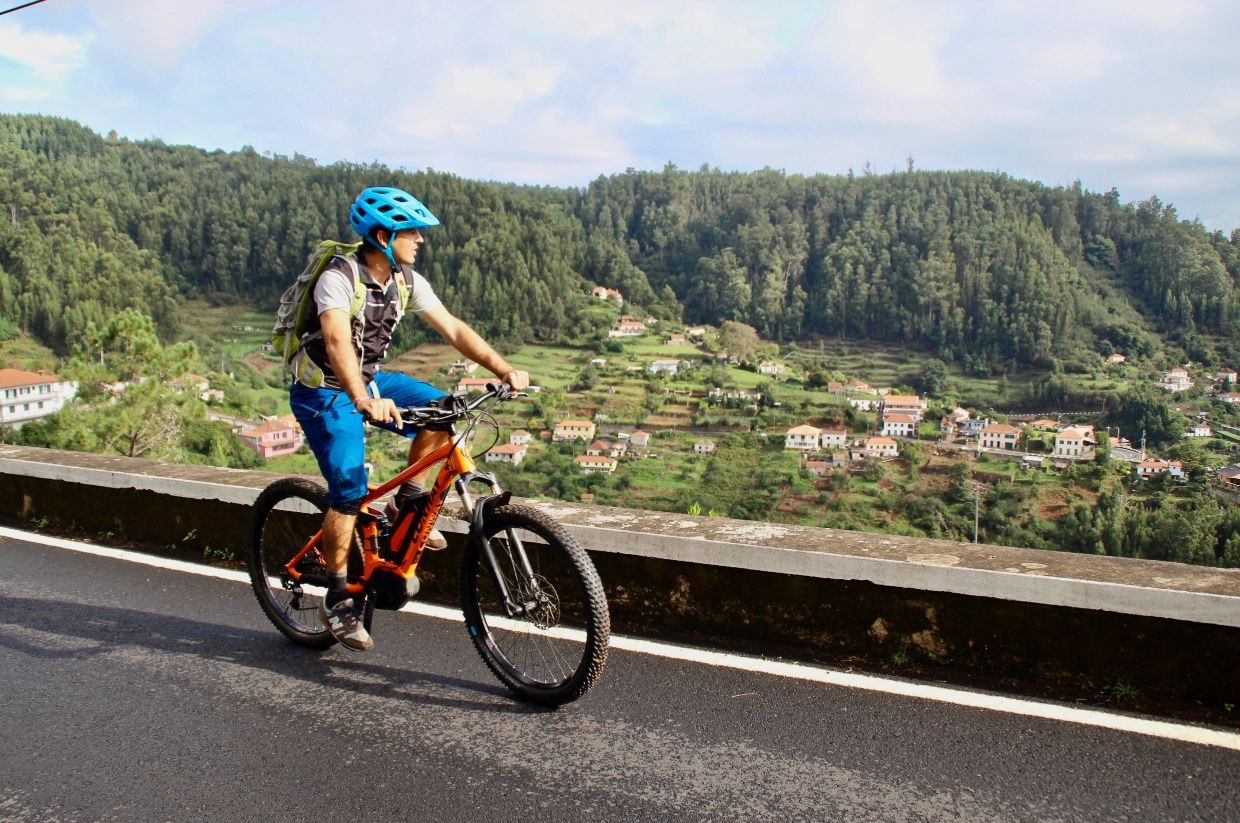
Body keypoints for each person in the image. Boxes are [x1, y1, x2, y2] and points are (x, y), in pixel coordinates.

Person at [289, 186, 528, 652]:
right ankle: (337, 597)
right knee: (350, 493)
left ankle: (408, 506)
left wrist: (502, 369)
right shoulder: (338, 278)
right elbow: (337, 344)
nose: (420, 239)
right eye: (411, 231)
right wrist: (361, 398)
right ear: (383, 235)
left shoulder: (405, 280)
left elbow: (454, 328)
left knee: (442, 413)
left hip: (370, 381)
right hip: (325, 391)